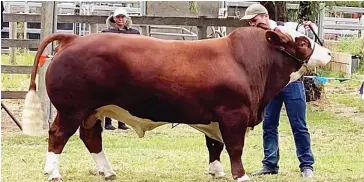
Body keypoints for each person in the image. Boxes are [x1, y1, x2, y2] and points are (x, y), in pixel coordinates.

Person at [241, 3, 316, 178]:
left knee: (298, 125)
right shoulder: (258, 38)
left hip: (292, 84)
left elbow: (306, 48)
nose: (252, 24)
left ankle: (306, 165)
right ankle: (270, 163)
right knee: (268, 124)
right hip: (271, 87)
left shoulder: (287, 30)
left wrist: (310, 29)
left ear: (265, 16)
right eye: (250, 22)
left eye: (254, 20)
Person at [101, 8, 140, 130]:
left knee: (124, 96)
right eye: (118, 17)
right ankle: (108, 122)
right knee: (108, 96)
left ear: (126, 19)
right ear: (114, 18)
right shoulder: (106, 33)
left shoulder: (134, 33)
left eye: (123, 17)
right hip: (111, 68)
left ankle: (122, 122)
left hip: (128, 69)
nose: (121, 19)